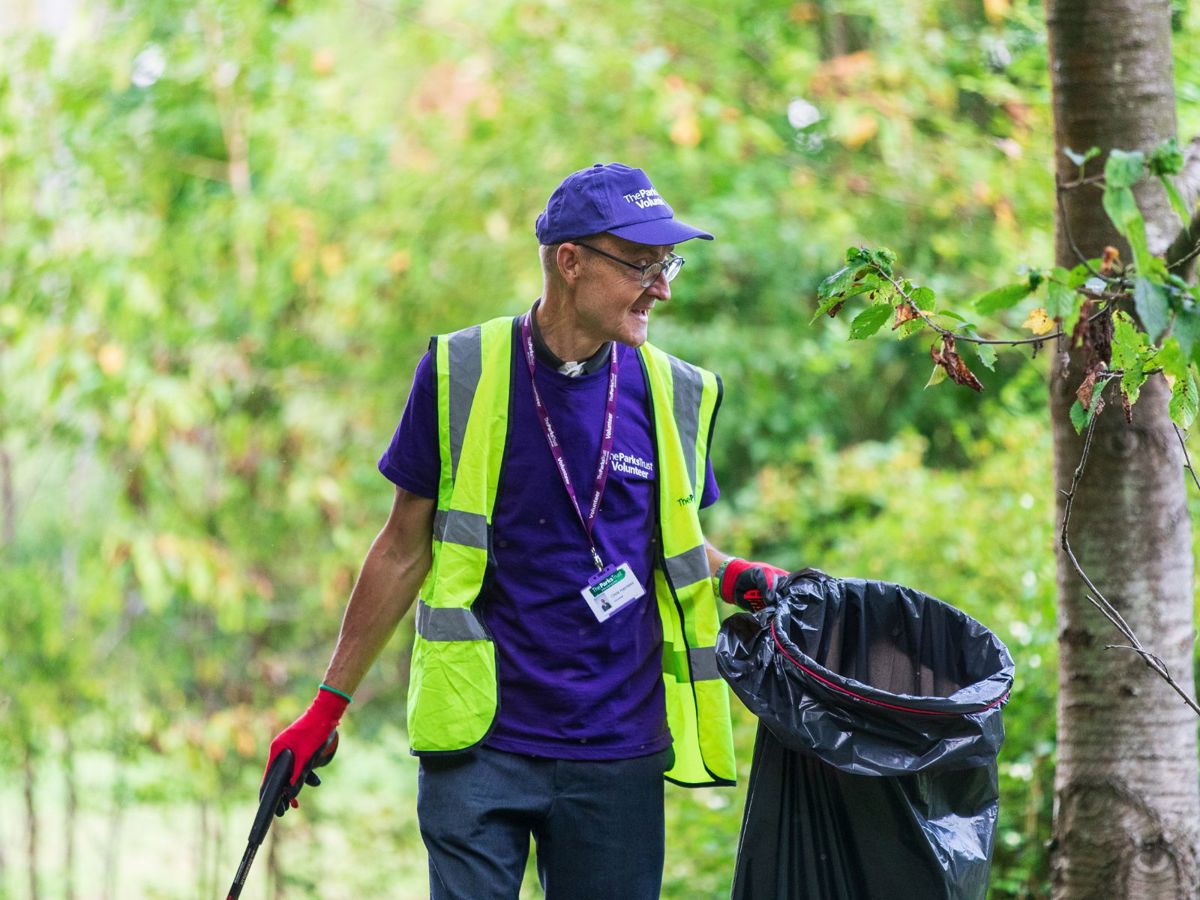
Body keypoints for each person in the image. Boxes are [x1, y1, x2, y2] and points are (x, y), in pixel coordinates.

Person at [263, 162, 787, 899]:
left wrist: (750, 581)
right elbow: (402, 548)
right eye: (642, 264)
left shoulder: (678, 391)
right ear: (570, 262)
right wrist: (325, 707)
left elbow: (665, 544)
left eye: (666, 263)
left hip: (619, 750)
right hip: (483, 749)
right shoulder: (461, 370)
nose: (663, 286)